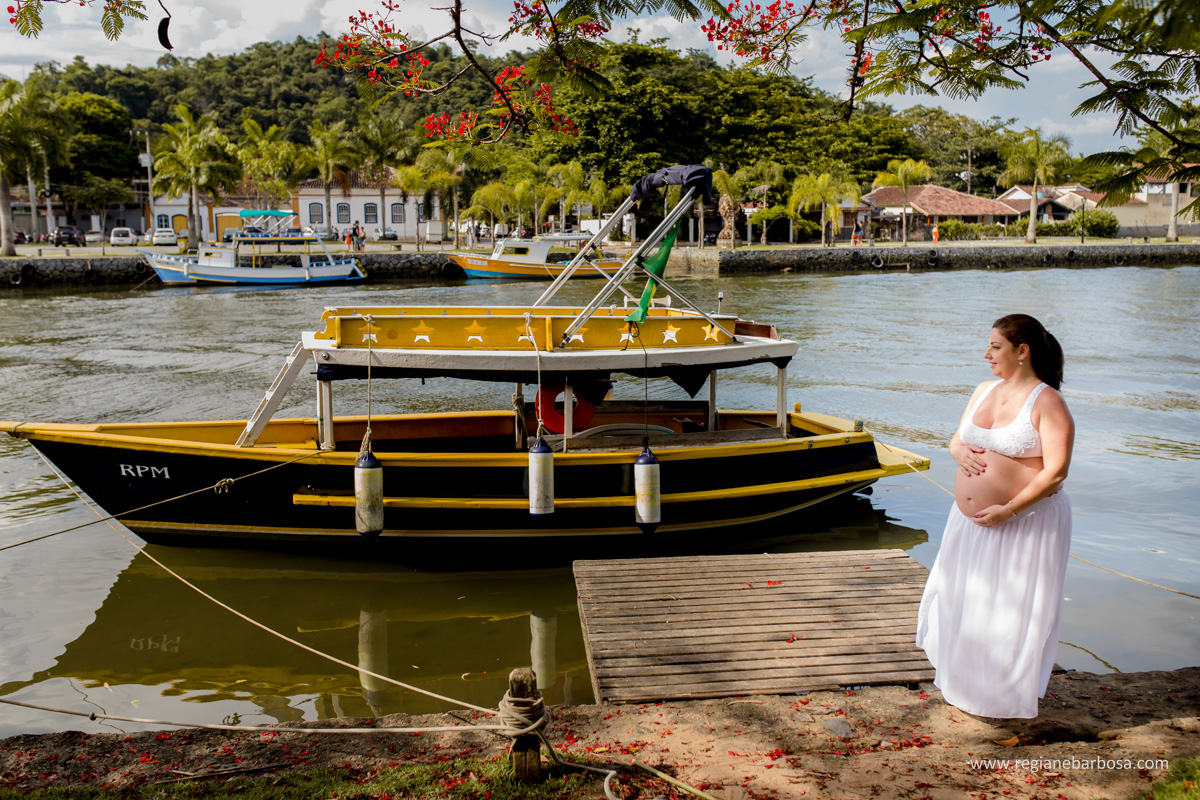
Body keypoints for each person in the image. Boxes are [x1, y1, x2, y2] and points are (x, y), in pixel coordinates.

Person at [916, 313, 1074, 719]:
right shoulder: (984, 389)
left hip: (1022, 521)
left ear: (1022, 352)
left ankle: (1000, 697)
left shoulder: (1049, 402)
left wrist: (1009, 509)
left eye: (995, 347)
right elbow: (958, 438)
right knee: (963, 600)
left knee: (1008, 609)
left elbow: (1056, 472)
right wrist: (956, 451)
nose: (986, 354)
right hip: (968, 521)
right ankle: (963, 686)